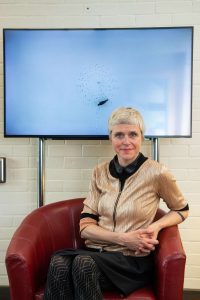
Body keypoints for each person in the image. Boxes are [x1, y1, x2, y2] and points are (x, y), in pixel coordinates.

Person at [44, 107, 189, 300]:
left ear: (142, 137)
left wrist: (156, 226)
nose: (126, 141)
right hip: (97, 253)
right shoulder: (99, 172)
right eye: (119, 135)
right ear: (111, 138)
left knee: (82, 264)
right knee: (59, 262)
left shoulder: (157, 173)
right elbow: (85, 228)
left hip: (131, 262)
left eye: (133, 134)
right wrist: (124, 238)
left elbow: (181, 210)